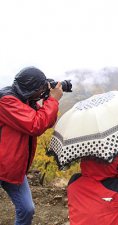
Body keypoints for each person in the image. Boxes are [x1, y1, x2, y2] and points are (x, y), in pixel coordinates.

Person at [0, 67, 63, 225]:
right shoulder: (6, 100)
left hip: (14, 168)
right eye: (41, 89)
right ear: (30, 89)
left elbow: (46, 122)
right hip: (2, 164)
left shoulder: (27, 100)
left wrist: (49, 100)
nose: (42, 92)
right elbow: (36, 125)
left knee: (27, 210)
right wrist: (53, 100)